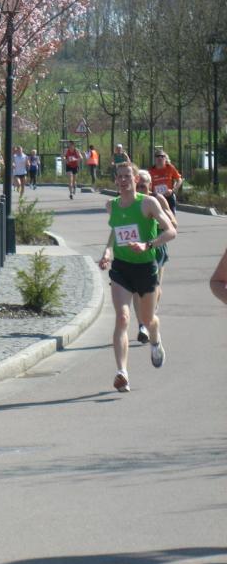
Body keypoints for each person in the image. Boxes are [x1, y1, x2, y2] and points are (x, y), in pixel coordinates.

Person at [98, 161, 176, 392]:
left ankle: (155, 340)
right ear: (115, 180)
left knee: (147, 319)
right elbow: (115, 232)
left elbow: (171, 231)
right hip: (122, 268)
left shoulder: (148, 203)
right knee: (122, 318)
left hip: (145, 267)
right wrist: (107, 251)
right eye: (119, 176)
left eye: (127, 176)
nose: (123, 180)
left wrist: (147, 244)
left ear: (135, 179)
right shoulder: (112, 205)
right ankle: (122, 372)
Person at [133, 169, 177, 343]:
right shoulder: (130, 201)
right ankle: (142, 326)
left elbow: (173, 224)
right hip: (135, 248)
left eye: (143, 186)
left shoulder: (158, 199)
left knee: (154, 288)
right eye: (138, 185)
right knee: (136, 289)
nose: (140, 189)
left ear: (150, 185)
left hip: (156, 247)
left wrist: (160, 221)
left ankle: (151, 311)